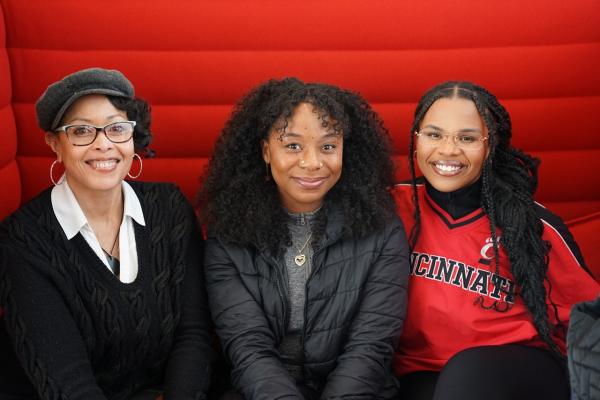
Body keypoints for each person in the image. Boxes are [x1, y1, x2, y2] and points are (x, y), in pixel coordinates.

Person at [0, 68, 214, 400]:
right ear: (55, 144)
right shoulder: (22, 239)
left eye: (116, 128)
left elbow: (194, 335)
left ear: (132, 137)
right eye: (82, 131)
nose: (103, 145)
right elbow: (68, 382)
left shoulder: (169, 208)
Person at [197, 77, 410, 399]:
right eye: (292, 145)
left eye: (328, 146)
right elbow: (248, 349)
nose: (312, 163)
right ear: (266, 151)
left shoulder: (383, 229)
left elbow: (370, 347)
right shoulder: (228, 236)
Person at [391, 81, 600, 400]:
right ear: (416, 140)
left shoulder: (529, 224)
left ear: (492, 146)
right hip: (422, 372)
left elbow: (587, 317)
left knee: (467, 371)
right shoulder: (389, 208)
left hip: (521, 372)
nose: (448, 150)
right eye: (434, 134)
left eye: (467, 138)